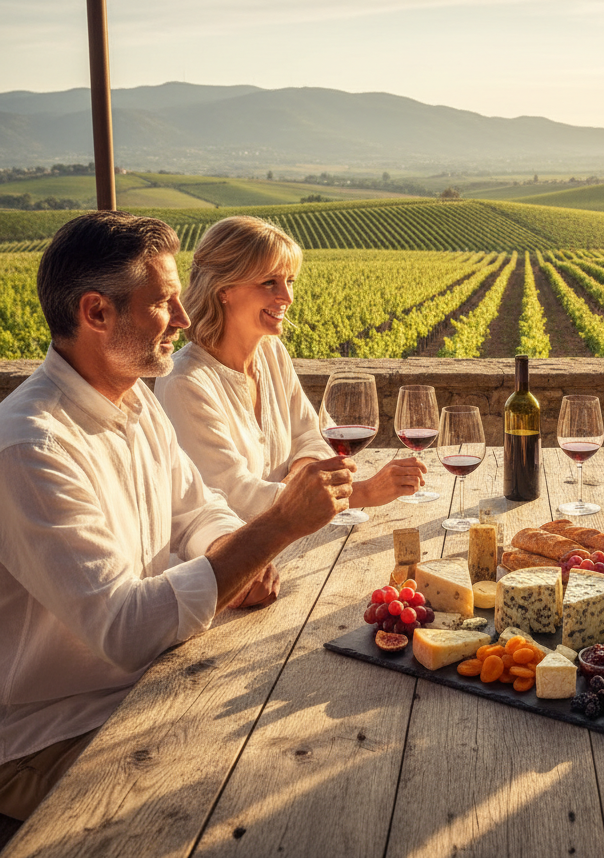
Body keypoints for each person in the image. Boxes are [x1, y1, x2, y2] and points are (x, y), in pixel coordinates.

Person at [0, 212, 354, 822]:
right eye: (163, 302)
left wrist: (235, 557)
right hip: (54, 735)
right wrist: (275, 530)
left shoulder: (133, 394)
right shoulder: (30, 448)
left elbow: (196, 513)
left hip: (146, 685)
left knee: (312, 728)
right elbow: (126, 628)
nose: (185, 319)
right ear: (96, 313)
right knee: (269, 785)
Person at [155, 216, 424, 520]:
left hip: (290, 537)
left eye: (290, 281)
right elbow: (235, 498)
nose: (287, 296)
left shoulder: (270, 352)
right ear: (223, 290)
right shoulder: (186, 383)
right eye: (269, 282)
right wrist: (363, 493)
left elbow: (311, 434)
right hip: (229, 559)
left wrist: (297, 480)